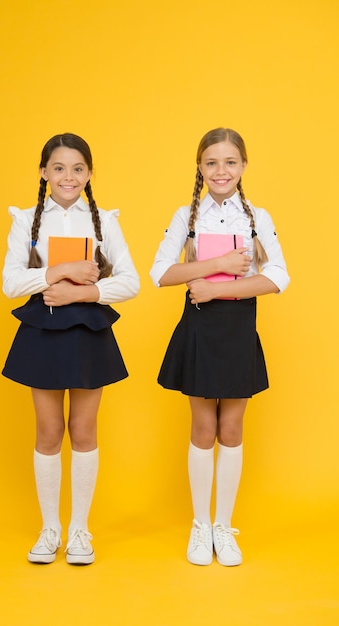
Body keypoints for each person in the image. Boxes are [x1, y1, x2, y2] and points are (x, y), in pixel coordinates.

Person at [150, 128, 289, 567]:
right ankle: (199, 525)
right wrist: (218, 266)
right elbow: (160, 273)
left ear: (244, 166)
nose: (221, 170)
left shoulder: (257, 218)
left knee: (231, 429)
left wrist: (217, 290)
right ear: (200, 168)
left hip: (237, 332)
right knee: (202, 429)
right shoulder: (187, 216)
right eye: (212, 162)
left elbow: (278, 277)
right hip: (198, 332)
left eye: (230, 162)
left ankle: (223, 527)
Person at [2, 133, 139, 565]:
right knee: (47, 432)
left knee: (83, 430)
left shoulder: (104, 222)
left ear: (90, 174)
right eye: (58, 168)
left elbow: (130, 282)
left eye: (78, 168)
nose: (68, 176)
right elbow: (10, 283)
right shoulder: (26, 221)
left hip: (88, 330)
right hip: (42, 332)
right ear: (43, 173)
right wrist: (58, 272)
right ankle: (50, 529)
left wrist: (83, 292)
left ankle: (80, 530)